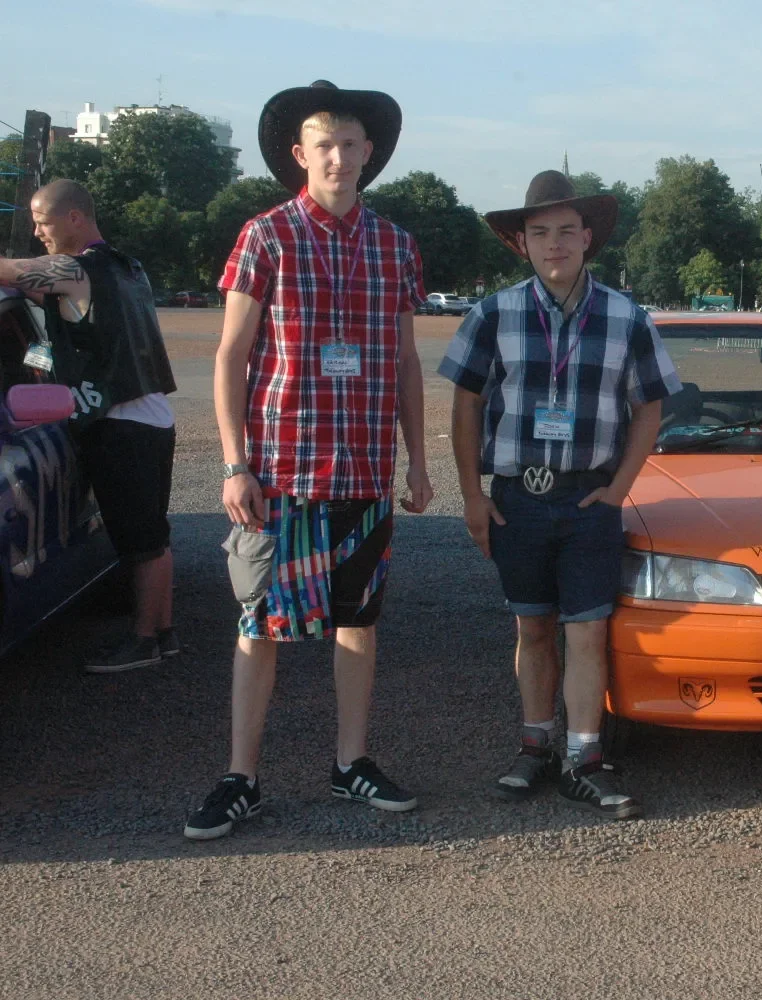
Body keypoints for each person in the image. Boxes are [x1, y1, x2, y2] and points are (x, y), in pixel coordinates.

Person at [184, 81, 433, 841]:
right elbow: (231, 356)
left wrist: (417, 461)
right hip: (281, 470)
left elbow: (402, 362)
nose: (338, 156)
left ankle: (351, 760)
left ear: (369, 154)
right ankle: (241, 775)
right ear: (301, 154)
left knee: (359, 622)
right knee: (259, 622)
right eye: (323, 144)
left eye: (351, 144)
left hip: (361, 472)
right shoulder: (266, 236)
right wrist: (234, 464)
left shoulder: (393, 245)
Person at [439, 170, 679, 820]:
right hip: (518, 497)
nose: (554, 244)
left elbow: (651, 406)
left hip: (587, 501)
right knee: (532, 626)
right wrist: (471, 494)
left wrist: (619, 489)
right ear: (521, 243)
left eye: (566, 231)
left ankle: (585, 756)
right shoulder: (493, 314)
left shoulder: (627, 317)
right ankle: (534, 744)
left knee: (588, 632)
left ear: (587, 237)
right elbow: (465, 405)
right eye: (539, 232)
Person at [0, 179, 178, 673]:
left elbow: (12, 271)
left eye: (43, 220)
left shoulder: (75, 269)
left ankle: (144, 642)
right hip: (145, 416)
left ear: (75, 218)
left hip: (122, 423)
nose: (37, 231)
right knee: (151, 538)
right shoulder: (126, 266)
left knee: (140, 543)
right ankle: (162, 634)